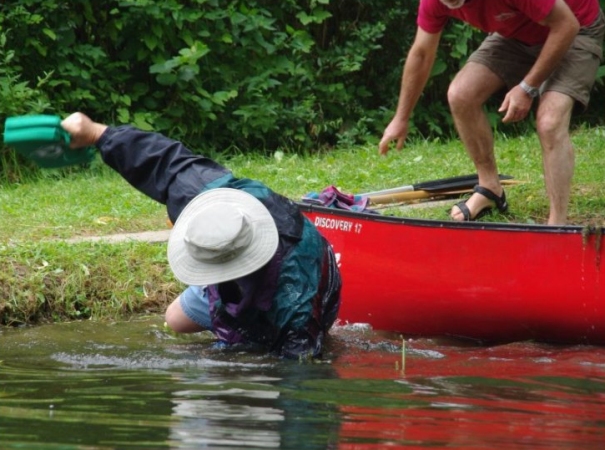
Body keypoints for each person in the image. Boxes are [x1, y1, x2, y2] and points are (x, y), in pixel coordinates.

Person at [60, 112, 342, 359]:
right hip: (257, 260)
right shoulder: (204, 196)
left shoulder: (296, 305)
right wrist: (95, 133)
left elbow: (297, 378)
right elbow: (162, 161)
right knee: (175, 319)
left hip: (304, 273)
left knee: (259, 348)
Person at [379, 0, 604, 225]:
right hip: (518, 34)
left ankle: (557, 225)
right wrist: (401, 117)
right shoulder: (434, 2)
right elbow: (421, 53)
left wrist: (527, 87)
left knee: (549, 121)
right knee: (461, 94)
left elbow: (566, 25)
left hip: (575, 29)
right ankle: (490, 189)